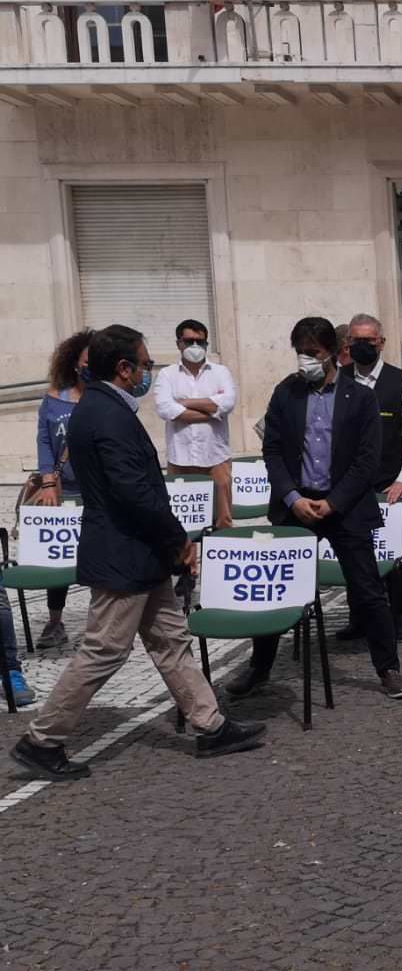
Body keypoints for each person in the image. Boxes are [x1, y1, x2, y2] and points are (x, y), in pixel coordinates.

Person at [9, 324, 265, 781]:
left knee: (170, 641)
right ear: (124, 368)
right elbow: (133, 492)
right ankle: (42, 740)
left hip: (140, 552)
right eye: (145, 365)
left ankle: (211, 725)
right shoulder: (105, 414)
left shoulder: (104, 407)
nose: (150, 373)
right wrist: (178, 539)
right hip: (123, 552)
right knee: (104, 649)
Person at [226, 317, 402, 701]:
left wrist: (334, 502)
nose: (305, 360)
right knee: (274, 590)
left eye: (312, 353)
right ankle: (259, 668)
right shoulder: (286, 392)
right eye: (300, 353)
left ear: (334, 353)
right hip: (296, 505)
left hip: (345, 506)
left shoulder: (361, 397)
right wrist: (293, 498)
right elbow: (272, 450)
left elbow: (367, 460)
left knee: (368, 589)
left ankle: (388, 668)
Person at [341, 313, 402, 643]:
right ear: (348, 343)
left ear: (381, 343)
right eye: (356, 340)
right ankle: (359, 618)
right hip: (349, 488)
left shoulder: (400, 381)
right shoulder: (339, 379)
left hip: (391, 484)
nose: (363, 345)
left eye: (369, 340)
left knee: (397, 557)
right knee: (354, 554)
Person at [33, 329, 94, 649]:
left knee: (97, 555)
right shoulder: (53, 399)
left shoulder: (103, 397)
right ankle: (55, 622)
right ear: (74, 363)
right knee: (57, 557)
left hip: (97, 491)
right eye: (87, 360)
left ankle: (102, 623)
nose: (92, 366)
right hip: (64, 489)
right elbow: (44, 441)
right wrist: (47, 481)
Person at [153, 318, 237, 529]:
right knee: (182, 521)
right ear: (178, 343)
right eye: (189, 341)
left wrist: (184, 403)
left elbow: (227, 403)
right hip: (180, 458)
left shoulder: (221, 372)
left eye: (200, 342)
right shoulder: (167, 374)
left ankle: (222, 546)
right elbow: (165, 409)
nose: (195, 346)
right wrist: (212, 411)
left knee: (223, 519)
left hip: (215, 456)